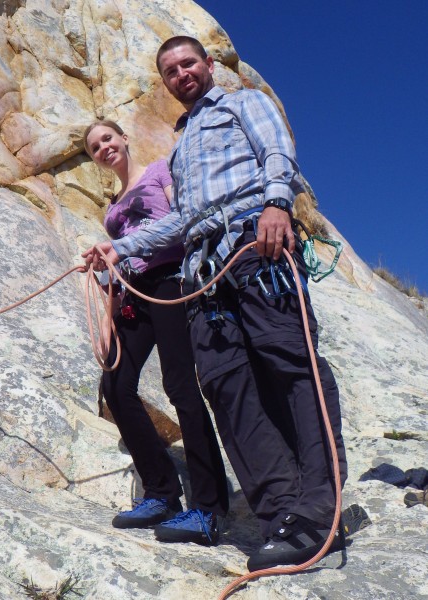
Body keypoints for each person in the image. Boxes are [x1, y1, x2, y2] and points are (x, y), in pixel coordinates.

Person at [83, 37, 348, 570]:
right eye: (170, 70)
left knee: (290, 367)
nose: (181, 74)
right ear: (166, 83)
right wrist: (120, 247)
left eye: (188, 63)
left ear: (207, 65)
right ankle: (280, 513)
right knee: (226, 386)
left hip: (255, 246)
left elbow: (277, 150)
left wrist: (276, 203)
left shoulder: (244, 103)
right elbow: (181, 220)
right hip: (205, 271)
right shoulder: (181, 150)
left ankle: (320, 510)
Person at [83, 120, 228, 544]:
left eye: (107, 138)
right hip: (134, 291)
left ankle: (209, 508)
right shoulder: (113, 207)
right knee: (116, 383)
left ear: (125, 138)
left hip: (171, 280)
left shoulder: (160, 172)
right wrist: (107, 318)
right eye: (95, 147)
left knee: (180, 386)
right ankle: (162, 492)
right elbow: (121, 263)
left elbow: (183, 222)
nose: (103, 147)